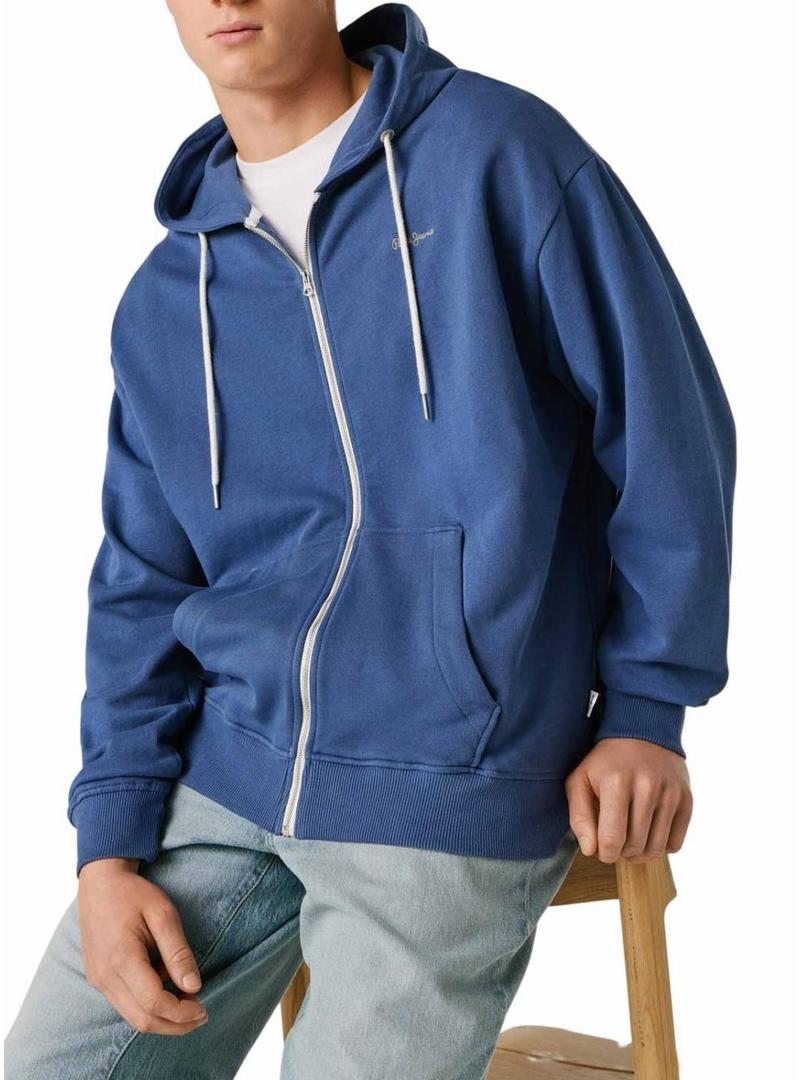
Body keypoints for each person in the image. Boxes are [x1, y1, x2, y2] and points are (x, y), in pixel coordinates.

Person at [4, 2, 736, 1077]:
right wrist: (107, 847)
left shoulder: (497, 157)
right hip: (221, 780)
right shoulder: (166, 295)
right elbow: (140, 583)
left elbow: (667, 429)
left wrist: (645, 711)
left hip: (448, 783)